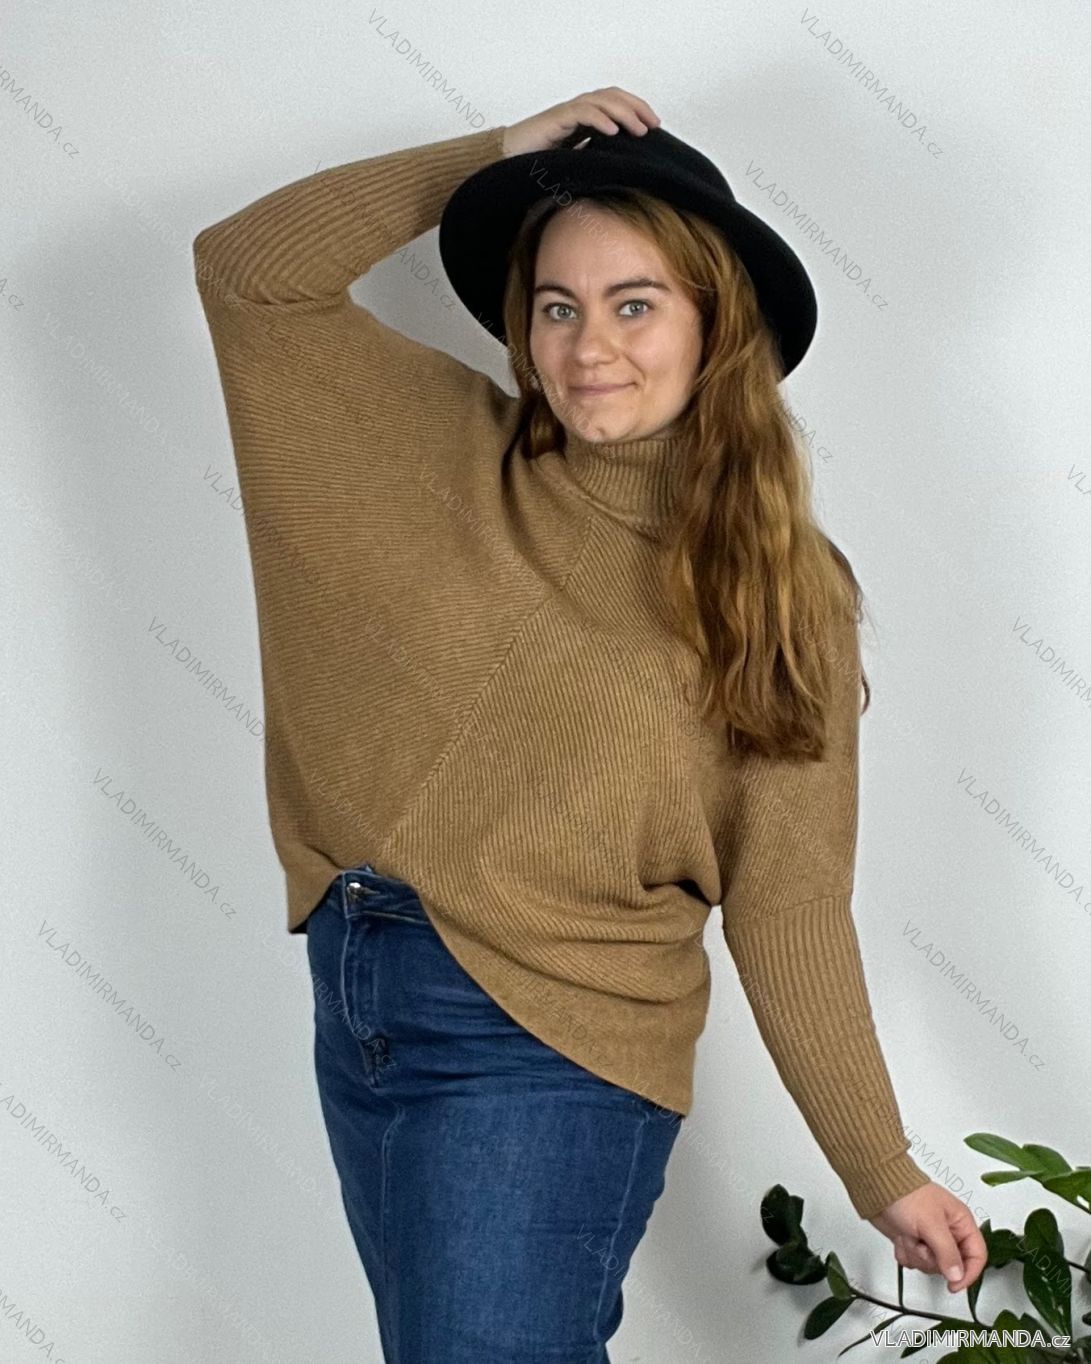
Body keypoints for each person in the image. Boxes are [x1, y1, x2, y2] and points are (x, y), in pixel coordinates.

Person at [192, 86, 986, 1362]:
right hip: (360, 988)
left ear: (713, 324)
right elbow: (248, 272)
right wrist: (495, 155)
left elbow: (786, 899)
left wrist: (876, 1164)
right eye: (556, 306)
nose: (585, 346)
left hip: (550, 1044)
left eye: (633, 304)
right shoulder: (438, 448)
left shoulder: (779, 590)